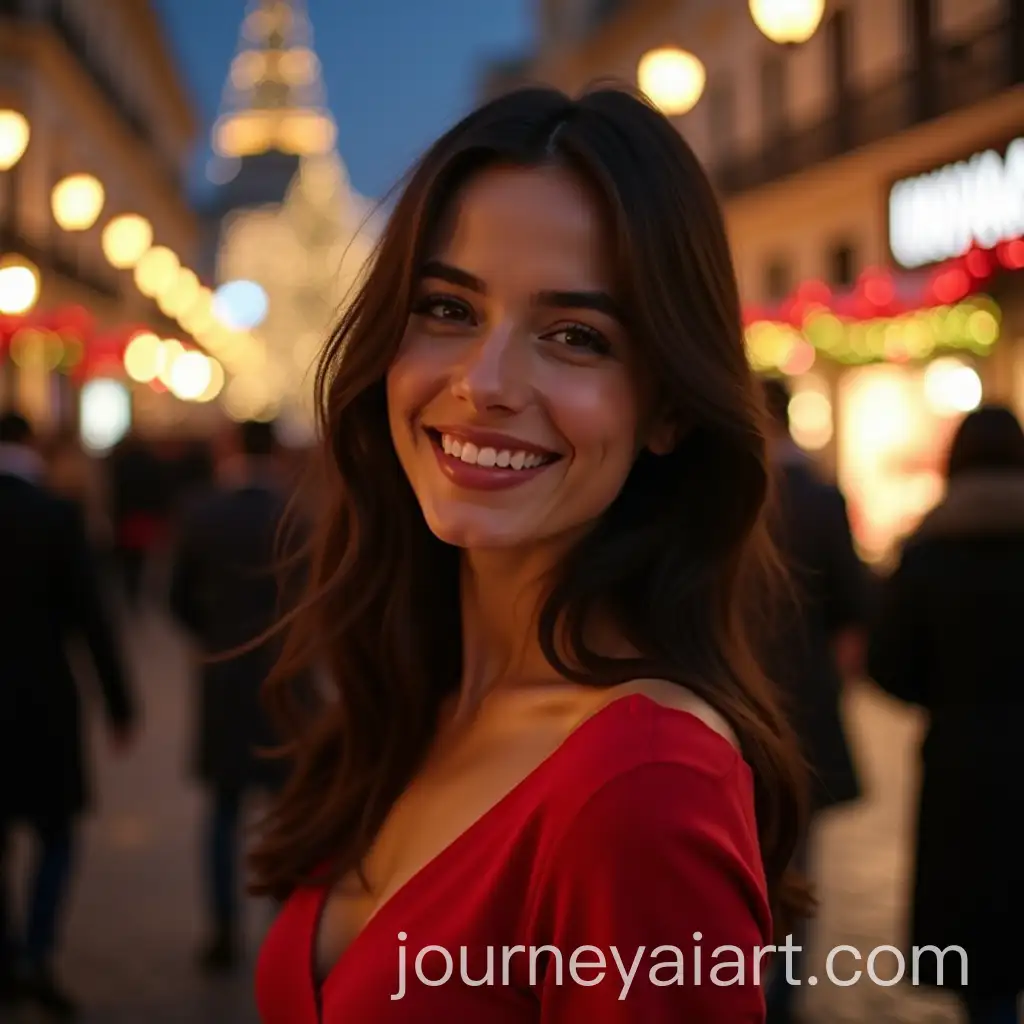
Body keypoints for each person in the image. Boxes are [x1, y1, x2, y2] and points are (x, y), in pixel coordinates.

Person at [250, 86, 810, 1023]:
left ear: (668, 407)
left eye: (575, 337)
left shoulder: (644, 790)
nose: (487, 383)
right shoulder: (413, 697)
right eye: (447, 308)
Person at [868, 404, 1024, 1024]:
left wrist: (946, 696)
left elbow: (887, 663)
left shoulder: (931, 550)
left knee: (982, 959)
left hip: (965, 760)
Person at [0, 412, 137, 1018]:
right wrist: (119, 705)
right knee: (57, 833)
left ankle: (4, 957)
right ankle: (37, 950)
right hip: (44, 700)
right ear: (31, 445)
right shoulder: (55, 515)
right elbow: (91, 617)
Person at [169, 420, 310, 972]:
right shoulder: (295, 516)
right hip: (285, 680)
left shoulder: (201, 512)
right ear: (274, 451)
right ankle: (283, 924)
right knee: (287, 813)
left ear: (231, 450)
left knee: (223, 811)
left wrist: (213, 637)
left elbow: (177, 598)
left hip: (222, 680)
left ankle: (222, 929)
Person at [759, 378, 868, 1022]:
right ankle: (782, 998)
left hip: (723, 693)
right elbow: (852, 612)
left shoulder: (724, 491)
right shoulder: (820, 497)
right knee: (796, 867)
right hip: (803, 700)